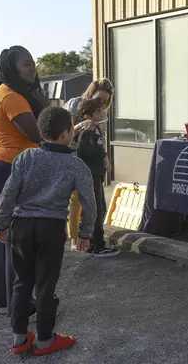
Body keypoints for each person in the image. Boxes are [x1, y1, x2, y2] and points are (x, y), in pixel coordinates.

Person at [0, 106, 96, 355]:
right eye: (72, 129)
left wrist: (2, 223)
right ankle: (45, 339)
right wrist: (84, 233)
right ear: (65, 135)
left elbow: (8, 193)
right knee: (45, 285)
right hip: (50, 229)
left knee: (21, 283)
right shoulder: (76, 165)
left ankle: (20, 338)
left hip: (21, 226)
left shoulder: (26, 158)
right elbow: (89, 202)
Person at [0, 46, 47, 316]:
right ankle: (16, 303)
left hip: (4, 168)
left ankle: (5, 300)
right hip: (8, 169)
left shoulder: (9, 93)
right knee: (15, 239)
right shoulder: (11, 96)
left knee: (4, 237)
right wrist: (50, 113)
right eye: (26, 64)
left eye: (34, 63)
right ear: (12, 67)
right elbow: (37, 133)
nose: (32, 68)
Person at [64, 79, 114, 250]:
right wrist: (82, 125)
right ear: (90, 93)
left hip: (94, 162)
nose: (102, 104)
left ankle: (89, 238)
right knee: (77, 201)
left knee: (96, 202)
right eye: (99, 99)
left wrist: (105, 156)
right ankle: (75, 238)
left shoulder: (102, 112)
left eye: (105, 101)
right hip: (74, 156)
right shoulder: (75, 105)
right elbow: (66, 133)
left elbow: (101, 137)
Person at [75, 97, 120, 257]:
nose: (102, 114)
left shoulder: (94, 129)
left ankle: (92, 242)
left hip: (93, 173)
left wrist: (105, 159)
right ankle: (97, 245)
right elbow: (88, 152)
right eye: (99, 111)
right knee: (96, 208)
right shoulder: (88, 130)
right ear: (89, 115)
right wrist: (102, 160)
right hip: (91, 174)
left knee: (96, 207)